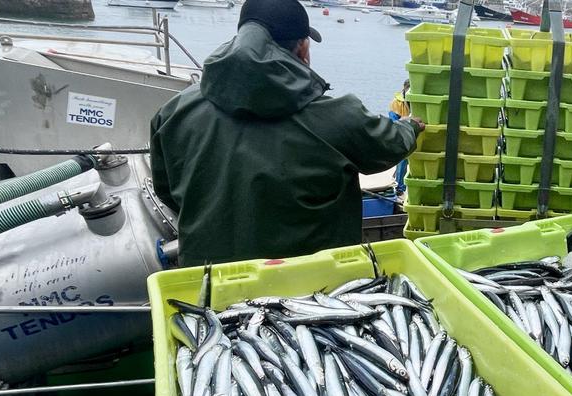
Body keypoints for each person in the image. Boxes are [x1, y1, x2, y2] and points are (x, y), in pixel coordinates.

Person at [150, 0, 424, 267]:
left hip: (207, 283)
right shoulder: (336, 116)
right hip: (310, 288)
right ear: (303, 49)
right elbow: (389, 144)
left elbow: (167, 192)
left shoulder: (173, 113)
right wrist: (410, 126)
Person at [388, 79, 411, 194]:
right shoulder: (396, 103)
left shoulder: (415, 100)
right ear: (405, 88)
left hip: (415, 133)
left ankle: (405, 186)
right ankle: (399, 188)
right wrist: (405, 120)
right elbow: (393, 122)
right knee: (402, 161)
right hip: (401, 135)